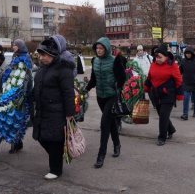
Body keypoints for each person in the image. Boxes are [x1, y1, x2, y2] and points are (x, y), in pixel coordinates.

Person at [32, 39, 76, 180]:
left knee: (55, 141)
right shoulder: (43, 68)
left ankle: (56, 169)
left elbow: (68, 93)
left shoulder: (63, 69)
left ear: (53, 54)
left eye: (44, 55)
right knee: (41, 137)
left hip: (57, 111)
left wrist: (70, 114)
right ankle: (56, 160)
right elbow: (37, 86)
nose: (42, 58)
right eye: (40, 55)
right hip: (42, 110)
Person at [83, 37, 126, 168]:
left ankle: (101, 155)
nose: (99, 50)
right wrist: (86, 89)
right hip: (100, 96)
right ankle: (117, 144)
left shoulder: (115, 60)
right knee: (111, 121)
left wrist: (117, 85)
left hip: (112, 96)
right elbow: (93, 79)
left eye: (101, 48)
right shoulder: (95, 61)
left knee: (104, 124)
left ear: (107, 49)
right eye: (97, 48)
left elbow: (122, 77)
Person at [144, 44, 183, 146]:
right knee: (161, 115)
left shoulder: (172, 65)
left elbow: (178, 80)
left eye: (160, 57)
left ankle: (162, 137)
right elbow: (149, 77)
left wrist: (179, 94)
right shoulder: (153, 64)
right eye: (156, 57)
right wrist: (146, 87)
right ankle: (171, 130)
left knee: (163, 116)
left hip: (168, 94)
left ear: (166, 56)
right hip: (156, 94)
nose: (158, 59)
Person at [10, 39, 32, 152]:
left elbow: (27, 76)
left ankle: (17, 142)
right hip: (13, 92)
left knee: (19, 118)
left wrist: (25, 92)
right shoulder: (14, 56)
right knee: (13, 118)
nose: (13, 46)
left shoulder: (26, 58)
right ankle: (16, 142)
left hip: (22, 93)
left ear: (19, 46)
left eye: (14, 45)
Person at [179, 46, 195, 120]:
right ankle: (185, 114)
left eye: (189, 53)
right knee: (186, 98)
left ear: (192, 53)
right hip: (186, 83)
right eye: (186, 53)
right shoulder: (183, 61)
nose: (188, 55)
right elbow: (180, 70)